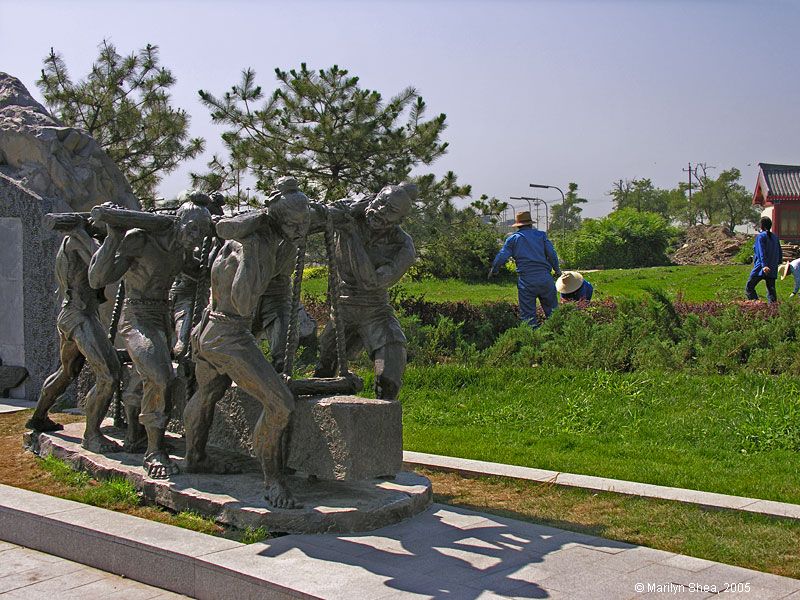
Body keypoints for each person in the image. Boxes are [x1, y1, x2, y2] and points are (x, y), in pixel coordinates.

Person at [183, 178, 309, 509]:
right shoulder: (258, 245)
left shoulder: (238, 238)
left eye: (305, 222)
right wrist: (255, 256)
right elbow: (241, 304)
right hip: (230, 335)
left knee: (207, 393)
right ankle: (273, 481)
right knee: (280, 404)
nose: (301, 230)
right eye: (295, 224)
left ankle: (194, 456)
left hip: (207, 329)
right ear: (278, 219)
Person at [88, 203, 212, 479]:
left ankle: (135, 436)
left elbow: (196, 270)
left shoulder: (182, 249)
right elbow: (98, 279)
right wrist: (113, 235)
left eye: (202, 233)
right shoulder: (140, 239)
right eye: (193, 229)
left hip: (162, 319)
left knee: (150, 373)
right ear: (178, 221)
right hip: (136, 317)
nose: (196, 238)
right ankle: (154, 451)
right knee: (160, 376)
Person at [313, 183, 417, 400]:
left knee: (390, 372)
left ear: (400, 220)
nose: (380, 211)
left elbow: (371, 282)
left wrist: (351, 235)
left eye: (390, 211)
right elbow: (314, 217)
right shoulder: (350, 213)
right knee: (322, 373)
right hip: (343, 309)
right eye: (381, 203)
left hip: (375, 312)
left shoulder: (403, 247)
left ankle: (380, 427)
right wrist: (347, 210)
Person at [26, 220, 121, 454]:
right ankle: (92, 435)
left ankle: (38, 417)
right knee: (108, 375)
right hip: (79, 316)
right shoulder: (77, 240)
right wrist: (113, 237)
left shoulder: (74, 239)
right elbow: (101, 271)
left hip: (73, 314)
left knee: (67, 371)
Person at [488, 211, 561, 327]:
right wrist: (557, 270)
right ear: (531, 224)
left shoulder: (513, 239)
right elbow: (552, 254)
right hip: (545, 279)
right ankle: (559, 337)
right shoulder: (541, 236)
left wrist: (494, 270)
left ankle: (532, 340)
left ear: (518, 226)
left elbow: (502, 256)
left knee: (528, 318)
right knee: (554, 314)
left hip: (527, 282)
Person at [745, 216, 782, 303]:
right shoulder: (775, 237)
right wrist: (778, 262)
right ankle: (772, 310)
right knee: (771, 290)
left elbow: (761, 252)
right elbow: (780, 252)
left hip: (761, 267)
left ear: (761, 226)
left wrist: (764, 265)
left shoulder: (760, 237)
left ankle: (757, 305)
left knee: (749, 287)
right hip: (772, 267)